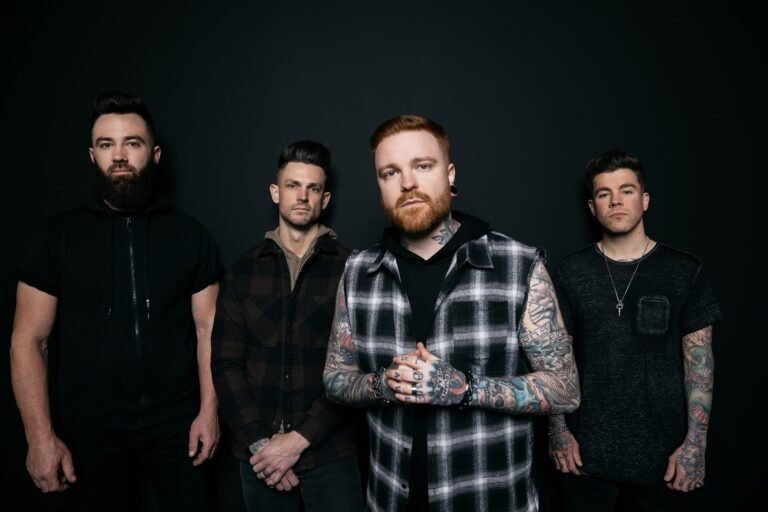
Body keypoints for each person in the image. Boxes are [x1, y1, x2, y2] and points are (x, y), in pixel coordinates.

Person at [323, 114, 580, 512]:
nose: (407, 183)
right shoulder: (358, 272)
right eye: (390, 172)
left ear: (450, 174)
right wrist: (380, 385)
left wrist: (465, 389)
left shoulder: (518, 265)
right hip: (389, 499)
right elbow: (335, 378)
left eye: (423, 166)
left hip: (490, 500)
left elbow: (565, 388)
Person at [10, 90, 223, 511]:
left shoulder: (190, 237)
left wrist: (209, 411)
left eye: (133, 143)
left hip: (176, 424)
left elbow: (209, 330)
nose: (120, 155)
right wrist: (39, 437)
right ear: (93, 156)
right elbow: (28, 341)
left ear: (155, 154)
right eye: (107, 144)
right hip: (89, 430)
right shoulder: (56, 238)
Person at [547, 150, 722, 511]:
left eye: (626, 191)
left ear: (644, 200)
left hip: (666, 460)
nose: (616, 201)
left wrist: (695, 445)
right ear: (592, 207)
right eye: (604, 193)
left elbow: (700, 365)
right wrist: (558, 431)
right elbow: (553, 358)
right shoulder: (570, 272)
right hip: (584, 457)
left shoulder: (684, 270)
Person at [211, 140, 365, 512]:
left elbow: (359, 368)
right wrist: (263, 447)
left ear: (325, 199)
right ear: (275, 192)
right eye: (293, 185)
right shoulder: (243, 272)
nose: (302, 196)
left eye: (313, 188)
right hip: (259, 458)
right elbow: (226, 364)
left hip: (331, 453)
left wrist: (298, 440)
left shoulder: (355, 269)